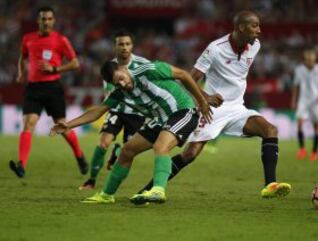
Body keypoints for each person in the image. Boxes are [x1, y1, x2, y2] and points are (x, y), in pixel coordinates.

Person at [139, 10, 291, 198]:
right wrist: (204, 98)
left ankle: (270, 185)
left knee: (271, 131)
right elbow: (190, 78)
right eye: (255, 26)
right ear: (241, 27)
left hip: (237, 108)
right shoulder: (215, 48)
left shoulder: (255, 45)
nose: (259, 30)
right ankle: (147, 190)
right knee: (190, 154)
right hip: (212, 110)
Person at [50, 60, 213, 204]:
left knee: (160, 146)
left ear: (124, 69)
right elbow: (98, 111)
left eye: (121, 78)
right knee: (127, 151)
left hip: (182, 111)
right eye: (116, 83)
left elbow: (183, 74)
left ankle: (158, 190)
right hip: (159, 119)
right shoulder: (120, 92)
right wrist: (69, 125)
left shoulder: (149, 70)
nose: (121, 84)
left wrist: (202, 101)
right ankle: (107, 195)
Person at [9, 6, 88, 178]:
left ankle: (79, 155)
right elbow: (23, 56)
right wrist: (21, 72)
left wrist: (54, 69)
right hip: (33, 87)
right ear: (38, 21)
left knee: (63, 127)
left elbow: (75, 63)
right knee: (29, 123)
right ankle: (21, 164)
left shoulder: (60, 40)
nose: (46, 22)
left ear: (53, 21)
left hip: (53, 87)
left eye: (49, 19)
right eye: (43, 19)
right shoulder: (28, 38)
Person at [79, 29, 148, 190]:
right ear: (115, 46)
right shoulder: (110, 68)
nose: (124, 47)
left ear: (132, 46)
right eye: (121, 44)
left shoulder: (143, 64)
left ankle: (116, 153)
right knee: (103, 143)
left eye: (127, 44)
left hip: (137, 114)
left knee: (127, 152)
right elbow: (110, 94)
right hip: (117, 110)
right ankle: (91, 180)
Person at [291, 48, 318, 161]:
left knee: (316, 127)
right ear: (305, 60)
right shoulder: (299, 70)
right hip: (303, 100)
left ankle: (314, 152)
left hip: (316, 101)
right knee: (299, 123)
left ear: (315, 59)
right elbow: (295, 86)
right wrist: (294, 100)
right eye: (307, 60)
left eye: (311, 59)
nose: (309, 61)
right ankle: (302, 149)